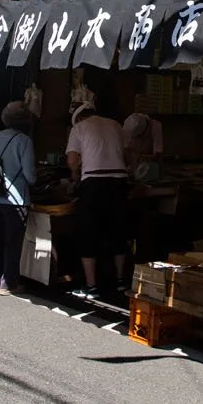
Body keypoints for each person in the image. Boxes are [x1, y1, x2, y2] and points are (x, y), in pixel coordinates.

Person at [66, 103, 130, 298]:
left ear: (78, 118)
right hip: (120, 182)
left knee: (89, 232)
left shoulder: (78, 128)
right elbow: (128, 154)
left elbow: (72, 160)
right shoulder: (116, 125)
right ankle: (120, 281)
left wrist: (76, 178)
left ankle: (91, 286)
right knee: (118, 231)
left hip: (93, 184)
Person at [0, 102, 36, 295]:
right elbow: (29, 174)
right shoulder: (24, 141)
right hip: (16, 199)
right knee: (12, 242)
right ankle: (8, 284)